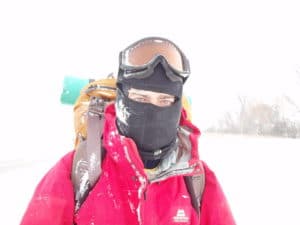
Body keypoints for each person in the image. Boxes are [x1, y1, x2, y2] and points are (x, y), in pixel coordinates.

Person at [21, 37, 236, 225]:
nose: (153, 110)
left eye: (164, 100)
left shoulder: (199, 182)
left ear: (177, 107)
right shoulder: (77, 170)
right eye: (140, 98)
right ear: (122, 98)